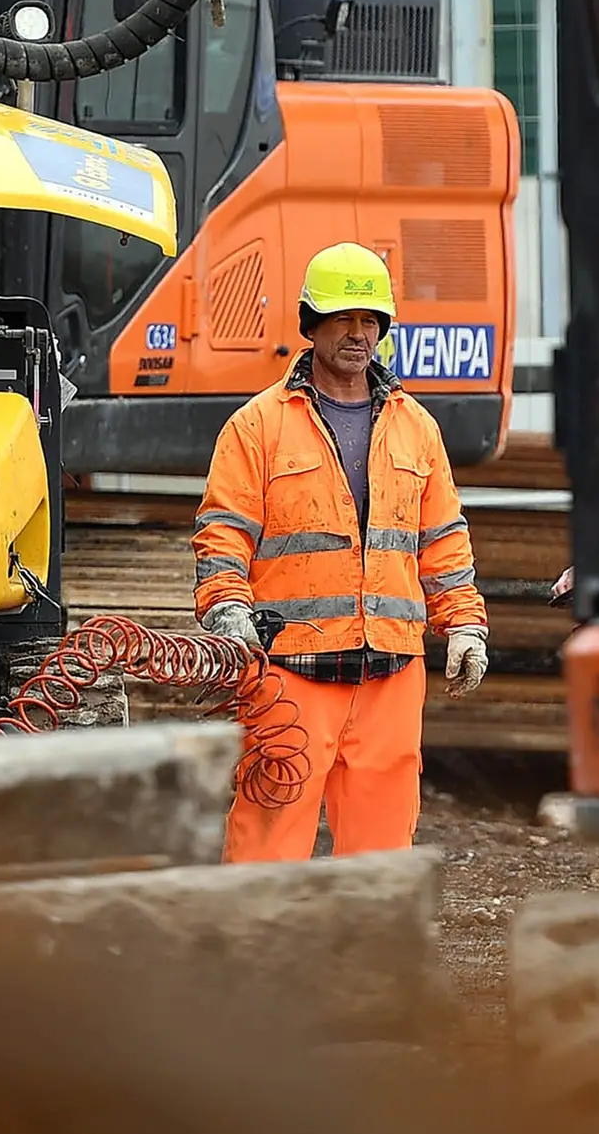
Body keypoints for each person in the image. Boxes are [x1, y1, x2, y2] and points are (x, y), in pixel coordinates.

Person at [191, 243, 488, 861]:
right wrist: (226, 609)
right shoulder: (259, 426)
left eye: (370, 321)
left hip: (391, 674)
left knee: (382, 854)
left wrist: (463, 625)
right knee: (266, 845)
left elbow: (442, 542)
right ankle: (259, 954)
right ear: (312, 324)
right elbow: (224, 535)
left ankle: (372, 959)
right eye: (343, 319)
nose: (359, 334)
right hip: (291, 670)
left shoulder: (417, 428)